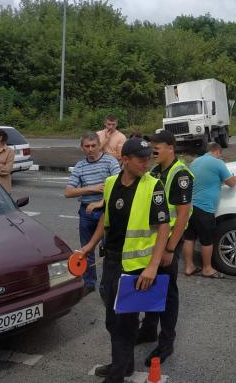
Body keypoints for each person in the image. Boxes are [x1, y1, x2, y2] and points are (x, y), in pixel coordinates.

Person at [78, 137, 170, 383]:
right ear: (125, 160)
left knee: (126, 323)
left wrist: (152, 266)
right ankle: (125, 365)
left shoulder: (153, 186)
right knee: (112, 320)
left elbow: (164, 227)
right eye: (142, 160)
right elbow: (105, 218)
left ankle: (117, 375)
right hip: (112, 262)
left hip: (137, 267)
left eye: (149, 159)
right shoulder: (110, 183)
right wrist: (89, 246)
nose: (147, 164)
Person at [137, 130, 193, 367]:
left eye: (158, 147)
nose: (154, 151)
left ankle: (166, 342)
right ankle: (149, 329)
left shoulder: (180, 175)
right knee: (152, 287)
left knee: (167, 292)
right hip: (156, 240)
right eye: (152, 148)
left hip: (170, 241)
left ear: (171, 147)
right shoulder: (156, 171)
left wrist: (170, 249)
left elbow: (183, 215)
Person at [65, 132, 120, 295]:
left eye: (93, 145)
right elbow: (68, 192)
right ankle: (89, 283)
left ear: (99, 145)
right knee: (86, 250)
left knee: (109, 250)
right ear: (82, 148)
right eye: (87, 146)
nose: (90, 149)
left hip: (106, 211)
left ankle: (107, 286)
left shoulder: (110, 161)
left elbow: (119, 186)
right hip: (86, 213)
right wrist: (92, 188)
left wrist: (101, 202)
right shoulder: (80, 166)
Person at [183, 142, 236, 278]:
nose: (220, 156)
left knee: (189, 238)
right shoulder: (218, 163)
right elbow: (231, 183)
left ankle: (189, 266)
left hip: (190, 207)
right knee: (207, 240)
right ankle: (207, 269)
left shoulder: (195, 162)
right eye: (220, 154)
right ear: (217, 151)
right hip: (205, 208)